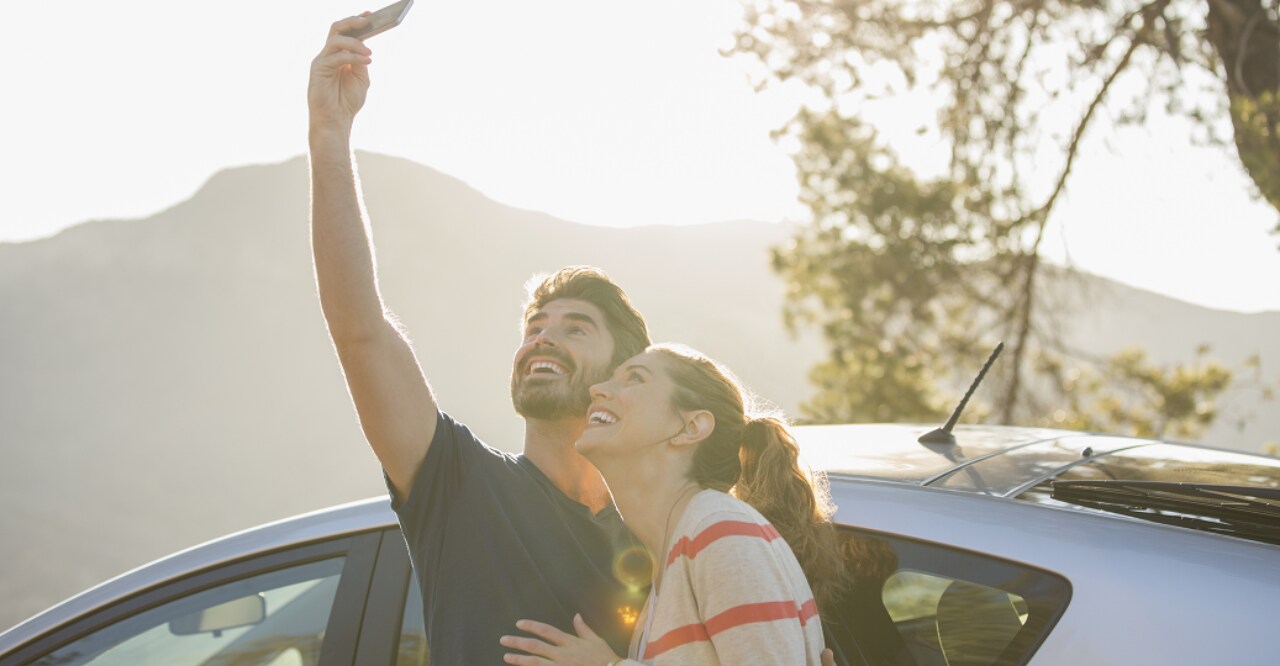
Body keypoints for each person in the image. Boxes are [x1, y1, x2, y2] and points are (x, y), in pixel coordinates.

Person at [307, 13, 655, 663]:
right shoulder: (459, 487)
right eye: (534, 327)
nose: (543, 339)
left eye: (575, 328)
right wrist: (329, 134)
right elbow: (361, 333)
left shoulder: (661, 536)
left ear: (624, 374)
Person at [500, 345, 858, 665]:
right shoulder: (681, 555)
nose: (598, 390)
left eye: (635, 378)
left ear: (691, 427)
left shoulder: (719, 531)